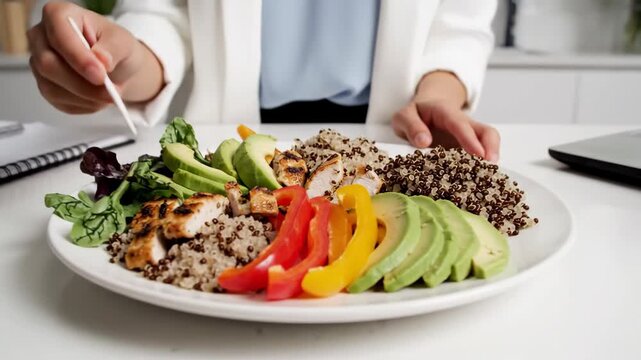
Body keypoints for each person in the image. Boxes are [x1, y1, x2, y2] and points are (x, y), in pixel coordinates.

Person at [27, 0, 500, 161]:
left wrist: (439, 94)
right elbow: (165, 14)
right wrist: (120, 60)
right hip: (232, 135)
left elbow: (457, 24)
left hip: (388, 135)